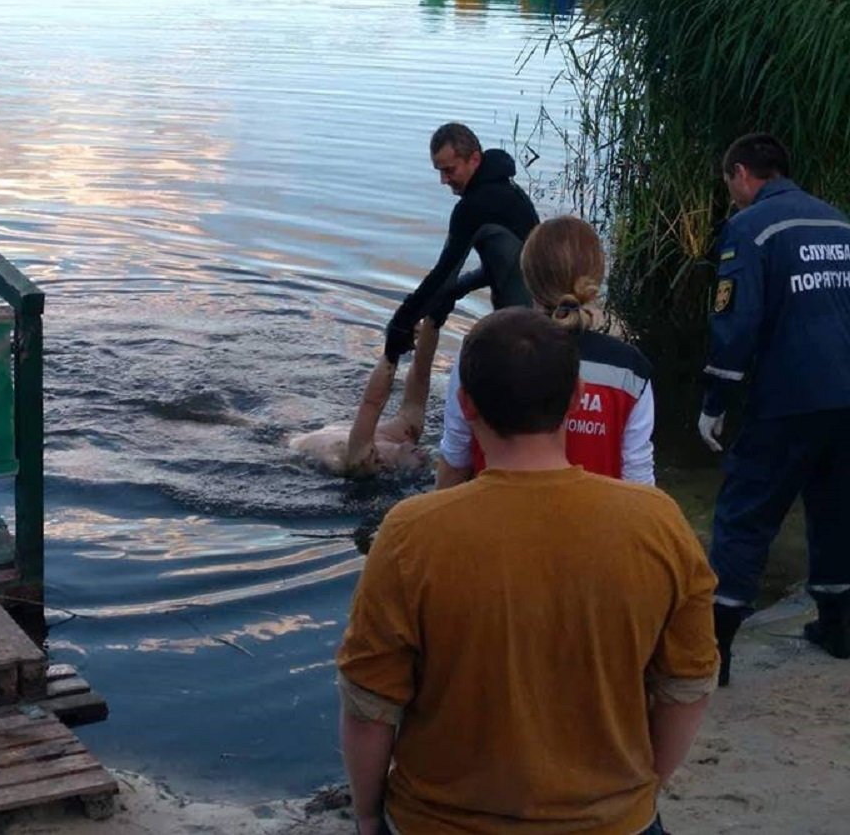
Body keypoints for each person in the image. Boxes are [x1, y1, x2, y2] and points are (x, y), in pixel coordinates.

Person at [337, 307, 718, 835]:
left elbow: (369, 707)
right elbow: (688, 685)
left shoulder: (410, 534)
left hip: (438, 821)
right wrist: (642, 788)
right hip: (613, 820)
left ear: (466, 403)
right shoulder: (659, 525)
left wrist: (364, 815)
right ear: (576, 397)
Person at [698, 132, 850, 683]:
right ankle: (837, 629)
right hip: (846, 398)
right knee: (836, 512)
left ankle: (716, 651)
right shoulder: (838, 223)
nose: (731, 194)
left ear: (742, 173)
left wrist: (715, 401)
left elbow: (735, 325)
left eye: (729, 183)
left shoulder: (750, 228)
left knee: (744, 516)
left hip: (788, 400)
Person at [437, 215, 655, 487]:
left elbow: (456, 459)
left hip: (495, 523)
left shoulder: (484, 350)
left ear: (528, 276)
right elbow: (638, 479)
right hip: (595, 525)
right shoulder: (630, 371)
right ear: (596, 278)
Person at [384, 122, 539, 364]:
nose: (443, 180)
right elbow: (505, 264)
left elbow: (443, 275)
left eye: (449, 170)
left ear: (474, 160)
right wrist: (457, 290)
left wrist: (400, 324)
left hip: (521, 333)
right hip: (536, 321)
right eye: (439, 171)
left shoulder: (474, 207)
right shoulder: (506, 189)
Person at [290, 320, 438, 478]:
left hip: (291, 446)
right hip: (315, 431)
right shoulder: (405, 432)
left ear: (389, 469)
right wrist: (434, 320)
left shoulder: (366, 460)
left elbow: (372, 403)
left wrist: (392, 350)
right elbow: (421, 374)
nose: (425, 460)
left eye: (420, 466)